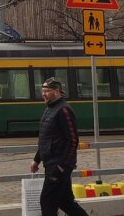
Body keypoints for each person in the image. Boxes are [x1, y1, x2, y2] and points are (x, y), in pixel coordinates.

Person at [30, 77, 88, 216]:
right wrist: (36, 159)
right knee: (65, 201)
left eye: (46, 91)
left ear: (56, 91)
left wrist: (61, 166)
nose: (43, 94)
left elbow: (73, 141)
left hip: (58, 165)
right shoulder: (50, 108)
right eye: (42, 90)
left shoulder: (63, 110)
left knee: (47, 201)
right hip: (51, 163)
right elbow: (46, 138)